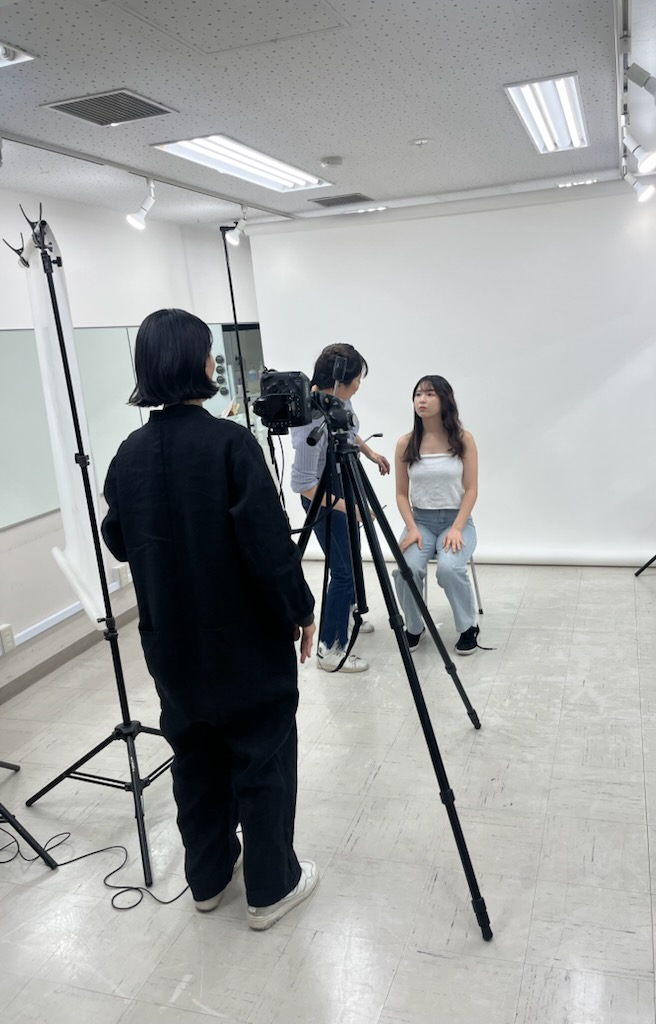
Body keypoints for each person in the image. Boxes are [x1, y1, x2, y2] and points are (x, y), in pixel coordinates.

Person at [101, 308, 318, 931]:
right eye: (208, 352)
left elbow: (118, 539)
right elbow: (269, 549)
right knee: (262, 754)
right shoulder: (231, 444)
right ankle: (271, 888)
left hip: (170, 644)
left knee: (195, 757)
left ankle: (208, 878)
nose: (214, 362)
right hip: (243, 643)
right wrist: (300, 612)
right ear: (195, 362)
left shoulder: (127, 455)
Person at [291, 343, 390, 673]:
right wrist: (352, 509)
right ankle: (330, 648)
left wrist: (370, 453)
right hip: (321, 496)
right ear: (338, 381)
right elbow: (304, 484)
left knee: (351, 558)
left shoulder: (335, 399)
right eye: (356, 379)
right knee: (344, 571)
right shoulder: (310, 422)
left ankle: (346, 613)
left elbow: (346, 429)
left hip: (341, 482)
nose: (359, 385)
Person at [392, 375, 480, 654]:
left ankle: (468, 627)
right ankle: (414, 627)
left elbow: (471, 489)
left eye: (430, 394)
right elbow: (401, 494)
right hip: (420, 522)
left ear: (445, 400)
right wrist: (411, 527)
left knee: (449, 568)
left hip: (457, 521)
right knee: (406, 570)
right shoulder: (406, 443)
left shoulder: (463, 439)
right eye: (418, 394)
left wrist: (457, 528)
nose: (422, 400)